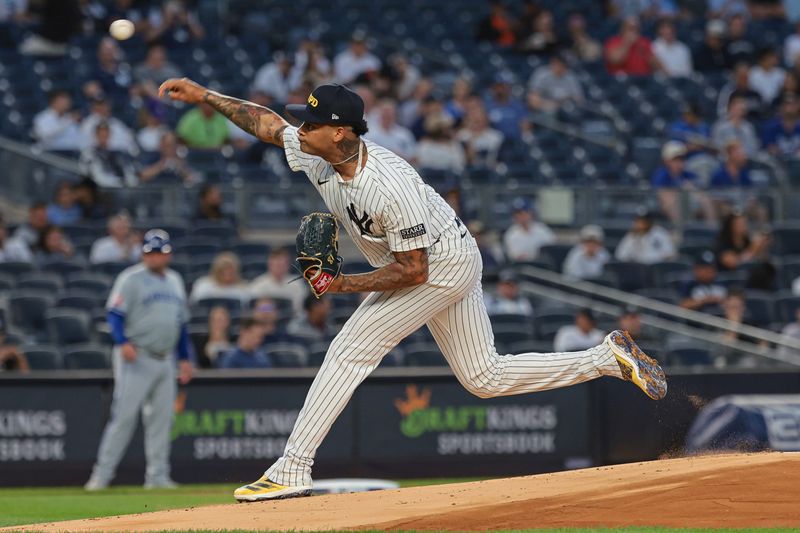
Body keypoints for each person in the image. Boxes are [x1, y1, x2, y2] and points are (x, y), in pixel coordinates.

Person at [159, 76, 667, 501]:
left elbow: (413, 272)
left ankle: (293, 467)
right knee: (483, 377)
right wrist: (206, 96)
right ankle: (605, 358)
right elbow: (266, 124)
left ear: (339, 133)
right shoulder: (319, 151)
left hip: (439, 264)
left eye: (311, 123)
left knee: (349, 351)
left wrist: (340, 285)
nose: (301, 128)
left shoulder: (388, 184)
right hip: (445, 254)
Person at [85, 230, 193, 490]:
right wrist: (122, 342)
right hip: (137, 355)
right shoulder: (130, 279)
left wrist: (185, 358)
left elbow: (180, 324)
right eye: (151, 252)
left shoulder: (175, 280)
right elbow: (114, 314)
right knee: (123, 417)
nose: (156, 257)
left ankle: (157, 477)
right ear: (144, 253)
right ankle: (101, 475)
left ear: (169, 254)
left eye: (161, 252)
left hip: (166, 359)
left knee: (162, 420)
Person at [651, 141, 699, 224]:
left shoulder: (687, 174)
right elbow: (663, 196)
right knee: (672, 200)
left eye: (681, 159)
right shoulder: (662, 174)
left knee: (706, 200)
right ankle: (680, 230)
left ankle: (710, 229)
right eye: (675, 160)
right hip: (662, 206)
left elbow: (699, 191)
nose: (679, 163)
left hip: (689, 204)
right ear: (666, 161)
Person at [249, 246, 307, 314]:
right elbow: (256, 309)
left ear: (288, 264)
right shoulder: (258, 284)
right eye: (276, 264)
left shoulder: (297, 284)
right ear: (269, 264)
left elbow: (301, 308)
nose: (279, 267)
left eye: (281, 264)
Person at [79, 122, 138, 187]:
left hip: (119, 187)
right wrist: (118, 183)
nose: (104, 138)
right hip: (100, 188)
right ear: (96, 136)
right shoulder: (89, 153)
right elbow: (94, 175)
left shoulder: (117, 153)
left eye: (106, 135)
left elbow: (128, 172)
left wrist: (129, 181)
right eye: (101, 135)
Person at [503, 197, 556, 262]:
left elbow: (551, 251)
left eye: (522, 213)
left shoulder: (542, 230)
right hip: (521, 267)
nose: (520, 216)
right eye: (517, 214)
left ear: (530, 213)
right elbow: (515, 256)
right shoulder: (511, 234)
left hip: (541, 266)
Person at [457, 99, 504, 168]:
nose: (477, 123)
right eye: (474, 119)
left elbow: (498, 157)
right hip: (468, 169)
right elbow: (461, 159)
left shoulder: (496, 136)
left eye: (479, 119)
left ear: (486, 119)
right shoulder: (461, 135)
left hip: (491, 169)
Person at [762, 94, 800, 158]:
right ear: (781, 107)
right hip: (776, 163)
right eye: (787, 105)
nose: (789, 108)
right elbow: (769, 148)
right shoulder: (770, 127)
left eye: (793, 105)